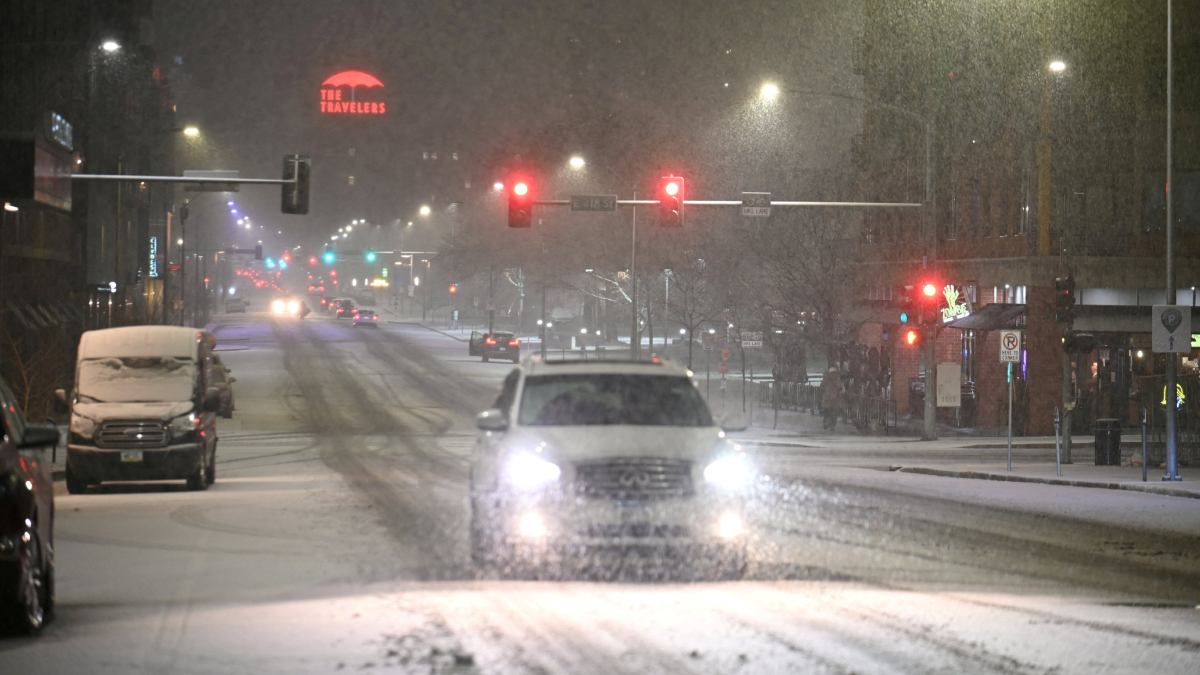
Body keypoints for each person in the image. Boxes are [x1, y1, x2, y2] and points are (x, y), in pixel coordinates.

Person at [820, 367, 843, 431]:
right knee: (827, 412)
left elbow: (840, 388)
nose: (833, 375)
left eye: (834, 373)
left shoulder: (838, 380)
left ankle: (832, 426)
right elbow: (822, 386)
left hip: (835, 400)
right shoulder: (826, 380)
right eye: (832, 373)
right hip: (827, 399)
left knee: (834, 414)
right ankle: (826, 423)